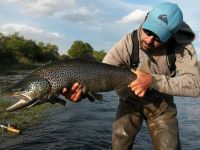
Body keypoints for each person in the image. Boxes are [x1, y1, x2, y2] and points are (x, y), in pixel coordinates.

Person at [61, 2, 200, 150]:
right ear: (146, 19)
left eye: (158, 38)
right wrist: (82, 93)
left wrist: (153, 81)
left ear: (172, 36)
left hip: (162, 107)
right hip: (130, 102)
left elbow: (195, 85)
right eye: (147, 31)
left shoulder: (183, 48)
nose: (148, 40)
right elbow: (100, 74)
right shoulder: (128, 42)